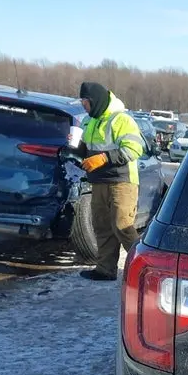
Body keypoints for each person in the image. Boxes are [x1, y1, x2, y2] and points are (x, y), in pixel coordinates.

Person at [69, 82, 144, 281]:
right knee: (102, 226)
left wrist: (104, 158)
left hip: (122, 182)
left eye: (85, 102)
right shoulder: (89, 121)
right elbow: (86, 150)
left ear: (95, 101)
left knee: (123, 226)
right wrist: (75, 149)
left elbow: (135, 149)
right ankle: (105, 269)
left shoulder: (122, 120)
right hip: (99, 181)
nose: (84, 106)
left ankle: (146, 271)